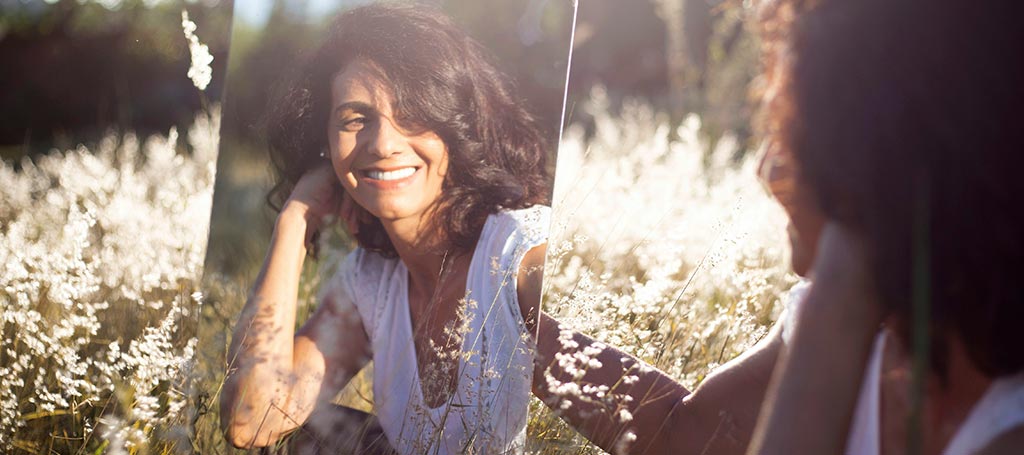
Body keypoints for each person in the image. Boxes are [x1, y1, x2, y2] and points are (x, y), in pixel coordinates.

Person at [535, 0, 1024, 454]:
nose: (767, 171)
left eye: (793, 137)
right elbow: (683, 434)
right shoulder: (856, 322)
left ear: (876, 160)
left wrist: (838, 293)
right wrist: (522, 324)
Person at [219, 4, 553, 453]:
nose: (382, 143)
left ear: (457, 124)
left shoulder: (523, 254)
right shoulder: (372, 283)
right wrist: (295, 219)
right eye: (355, 119)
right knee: (306, 438)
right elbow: (252, 420)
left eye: (412, 112)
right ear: (326, 143)